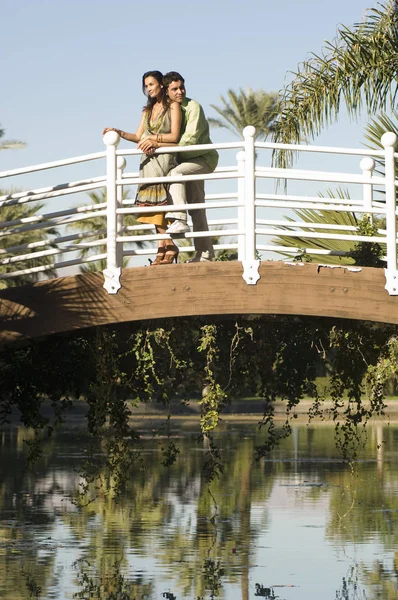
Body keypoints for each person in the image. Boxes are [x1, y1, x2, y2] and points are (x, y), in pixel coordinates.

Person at [103, 70, 181, 265]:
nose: (149, 89)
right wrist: (118, 132)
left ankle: (169, 246)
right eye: (146, 86)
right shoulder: (147, 111)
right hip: (147, 161)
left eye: (152, 84)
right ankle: (162, 246)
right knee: (152, 205)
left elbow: (174, 136)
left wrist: (153, 140)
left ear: (161, 85)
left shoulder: (173, 106)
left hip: (164, 157)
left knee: (161, 202)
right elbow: (139, 136)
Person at [162, 71, 219, 262]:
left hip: (202, 159)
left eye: (182, 87)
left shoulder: (193, 107)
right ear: (166, 91)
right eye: (175, 89)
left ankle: (179, 219)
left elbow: (190, 140)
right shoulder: (166, 109)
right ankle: (205, 254)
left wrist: (161, 145)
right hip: (186, 162)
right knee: (197, 207)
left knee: (175, 173)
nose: (180, 91)